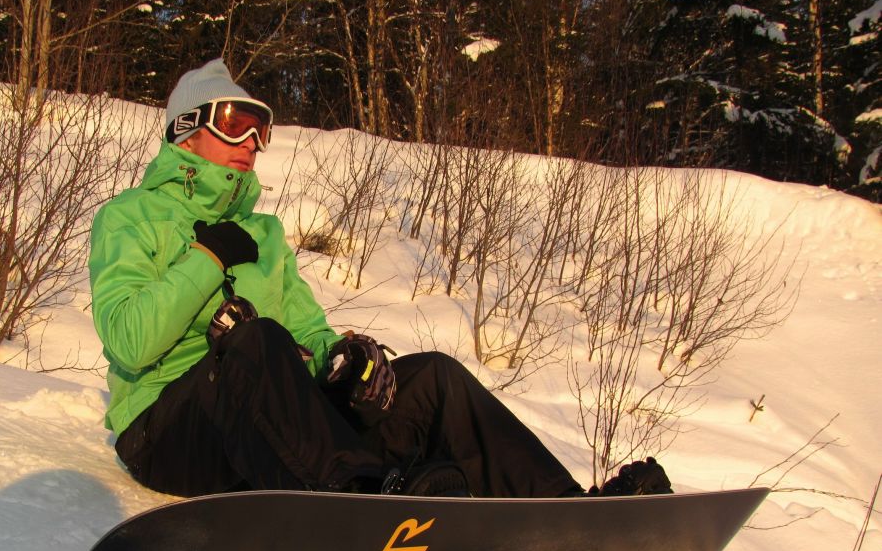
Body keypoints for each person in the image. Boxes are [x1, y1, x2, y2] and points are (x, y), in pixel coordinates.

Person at [88, 58, 671, 499]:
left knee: (433, 379)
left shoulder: (264, 235)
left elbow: (307, 333)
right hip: (168, 429)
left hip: (274, 431)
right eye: (236, 124)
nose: (251, 143)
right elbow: (128, 340)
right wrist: (205, 260)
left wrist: (343, 361)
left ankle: (564, 509)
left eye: (260, 130)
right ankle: (364, 501)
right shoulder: (129, 217)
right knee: (256, 340)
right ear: (186, 130)